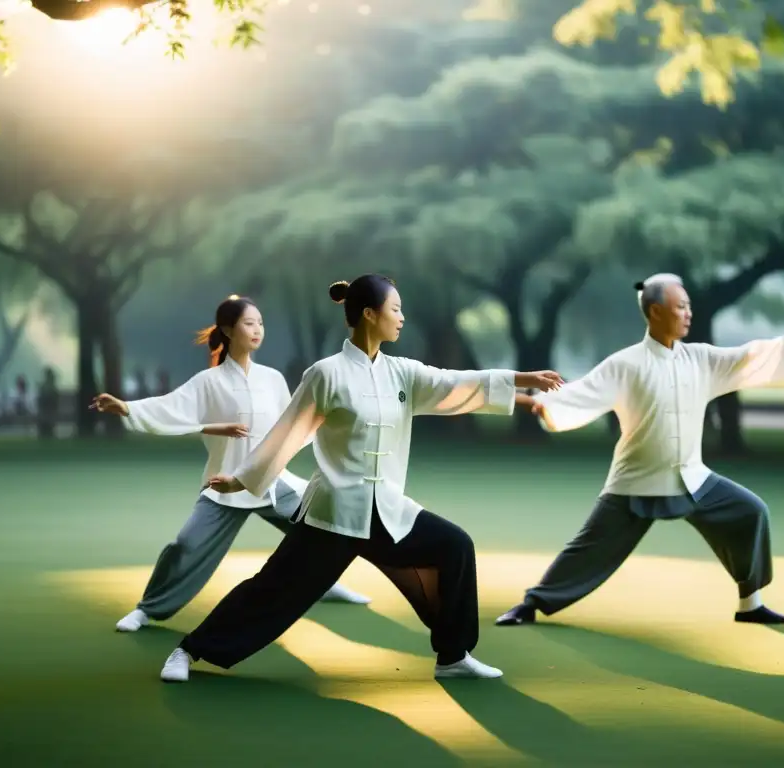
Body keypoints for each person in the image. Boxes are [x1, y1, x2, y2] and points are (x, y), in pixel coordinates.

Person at [158, 275, 564, 683]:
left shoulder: (402, 373)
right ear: (369, 315)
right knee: (272, 591)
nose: (402, 318)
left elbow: (456, 382)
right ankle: (188, 650)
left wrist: (525, 379)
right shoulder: (326, 374)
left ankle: (453, 656)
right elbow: (288, 433)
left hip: (386, 510)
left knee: (454, 545)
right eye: (396, 310)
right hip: (332, 513)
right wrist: (242, 480)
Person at [496, 273, 784, 629]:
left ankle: (751, 603)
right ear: (655, 311)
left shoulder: (700, 359)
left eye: (689, 307)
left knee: (751, 512)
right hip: (637, 479)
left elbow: (744, 358)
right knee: (589, 549)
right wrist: (540, 404)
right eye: (680, 307)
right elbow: (580, 394)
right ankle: (530, 605)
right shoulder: (625, 364)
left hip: (692, 477)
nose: (688, 314)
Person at [90, 295, 371, 635]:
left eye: (261, 323)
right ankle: (147, 609)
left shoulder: (272, 379)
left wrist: (338, 418)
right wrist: (126, 408)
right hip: (224, 485)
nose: (257, 330)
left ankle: (324, 584)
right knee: (186, 546)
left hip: (271, 481)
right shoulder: (208, 382)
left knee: (323, 528)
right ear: (227, 329)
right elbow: (171, 408)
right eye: (249, 323)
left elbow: (294, 421)